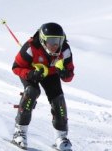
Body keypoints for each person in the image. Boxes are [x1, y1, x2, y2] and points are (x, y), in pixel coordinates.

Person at [11, 22, 75, 151]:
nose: (55, 44)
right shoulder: (30, 47)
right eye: (51, 40)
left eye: (58, 40)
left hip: (51, 73)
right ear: (43, 39)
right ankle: (19, 132)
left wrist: (65, 74)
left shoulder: (65, 50)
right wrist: (30, 74)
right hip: (31, 71)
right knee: (32, 92)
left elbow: (69, 76)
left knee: (58, 99)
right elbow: (16, 67)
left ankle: (61, 137)